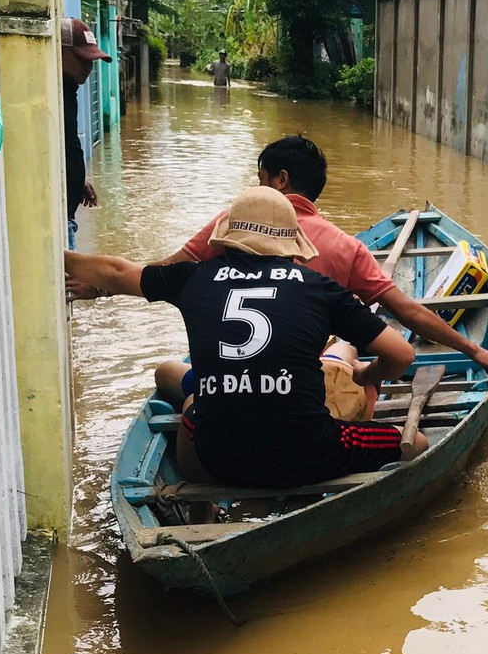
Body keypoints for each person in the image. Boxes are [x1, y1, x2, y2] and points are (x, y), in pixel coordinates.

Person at [63, 188, 425, 488]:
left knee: (189, 401)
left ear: (227, 239)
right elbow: (402, 355)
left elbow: (116, 270)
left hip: (218, 459)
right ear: (290, 246)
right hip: (311, 455)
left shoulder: (191, 277)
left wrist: (56, 255)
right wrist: (364, 376)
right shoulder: (320, 289)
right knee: (418, 444)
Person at [152, 134, 488, 377]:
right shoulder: (345, 247)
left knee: (167, 372)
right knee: (344, 350)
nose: (257, 187)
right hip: (299, 384)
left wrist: (105, 284)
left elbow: (164, 271)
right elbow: (408, 312)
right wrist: (472, 350)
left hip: (227, 380)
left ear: (280, 180)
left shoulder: (231, 224)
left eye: (260, 178)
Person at [60, 17, 110, 247]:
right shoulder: (54, 92)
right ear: (60, 52)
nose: (88, 68)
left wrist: (78, 178)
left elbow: (66, 143)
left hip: (68, 211)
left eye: (91, 61)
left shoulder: (69, 89)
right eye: (82, 59)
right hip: (62, 218)